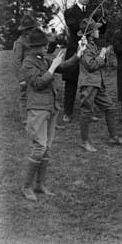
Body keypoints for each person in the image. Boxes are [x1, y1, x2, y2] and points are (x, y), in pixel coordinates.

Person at [20, 28, 86, 201]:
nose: (47, 46)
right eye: (44, 45)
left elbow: (63, 67)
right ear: (35, 47)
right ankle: (26, 187)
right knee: (39, 147)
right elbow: (38, 83)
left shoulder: (43, 59)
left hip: (51, 107)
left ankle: (40, 184)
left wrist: (79, 53)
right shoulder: (28, 63)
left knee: (47, 148)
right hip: (37, 109)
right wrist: (53, 67)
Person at [77, 18, 122, 151]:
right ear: (90, 33)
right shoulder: (84, 46)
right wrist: (101, 55)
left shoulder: (92, 44)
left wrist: (103, 55)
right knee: (86, 112)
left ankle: (114, 137)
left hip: (97, 83)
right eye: (96, 29)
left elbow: (97, 63)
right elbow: (91, 65)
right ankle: (84, 142)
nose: (98, 31)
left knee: (110, 108)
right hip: (89, 83)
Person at [62, 0, 98, 124]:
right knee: (71, 82)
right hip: (74, 50)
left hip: (88, 50)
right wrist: (89, 25)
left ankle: (89, 112)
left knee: (89, 83)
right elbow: (74, 26)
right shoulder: (69, 12)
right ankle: (67, 112)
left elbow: (97, 29)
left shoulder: (92, 12)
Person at [13, 15, 38, 126]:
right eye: (31, 28)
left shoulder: (34, 39)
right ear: (26, 30)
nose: (34, 30)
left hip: (36, 72)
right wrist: (21, 78)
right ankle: (25, 120)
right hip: (26, 74)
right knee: (25, 96)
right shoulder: (20, 42)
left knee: (36, 95)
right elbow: (16, 62)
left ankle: (37, 118)